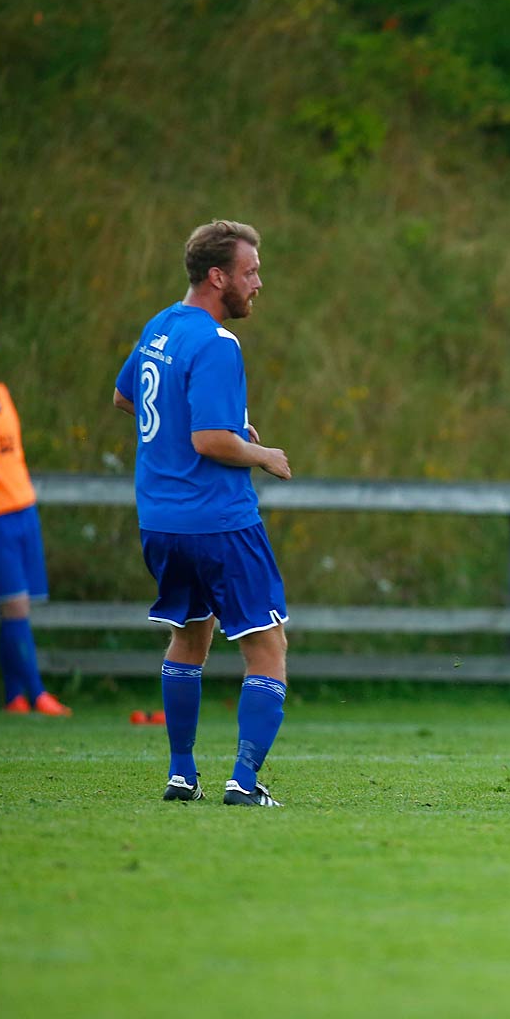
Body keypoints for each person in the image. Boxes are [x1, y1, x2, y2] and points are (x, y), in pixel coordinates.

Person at [112, 220, 293, 806]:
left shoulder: (160, 326)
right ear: (219, 277)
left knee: (189, 637)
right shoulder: (217, 343)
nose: (258, 282)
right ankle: (243, 781)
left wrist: (226, 430)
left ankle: (181, 773)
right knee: (267, 647)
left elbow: (124, 396)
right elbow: (210, 440)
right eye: (250, 272)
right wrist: (261, 453)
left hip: (160, 520)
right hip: (219, 519)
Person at [0, 335, 71, 715]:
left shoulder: (3, 396)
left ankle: (14, 697)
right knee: (15, 607)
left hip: (22, 510)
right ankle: (38, 692)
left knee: (19, 605)